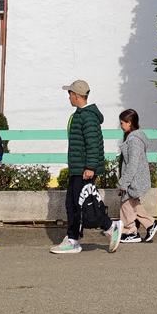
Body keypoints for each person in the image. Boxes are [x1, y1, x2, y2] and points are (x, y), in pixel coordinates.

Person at [51, 80, 122, 255]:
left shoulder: (88, 117)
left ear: (76, 95)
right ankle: (73, 238)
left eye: (69, 94)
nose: (68, 97)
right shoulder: (80, 114)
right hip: (78, 168)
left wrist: (90, 167)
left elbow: (93, 144)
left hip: (84, 169)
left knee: (84, 205)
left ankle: (109, 227)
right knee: (72, 204)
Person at [117, 109, 157, 244]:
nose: (120, 126)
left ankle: (130, 232)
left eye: (122, 123)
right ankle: (150, 224)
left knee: (126, 204)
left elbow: (132, 164)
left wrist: (124, 182)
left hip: (134, 179)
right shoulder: (133, 137)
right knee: (133, 204)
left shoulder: (134, 140)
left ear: (129, 123)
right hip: (135, 178)